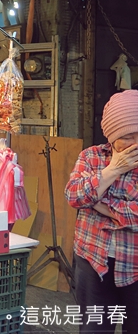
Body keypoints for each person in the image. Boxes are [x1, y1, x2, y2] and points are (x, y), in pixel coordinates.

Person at [65, 90, 138, 333]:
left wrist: (99, 203)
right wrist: (113, 170)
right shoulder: (91, 156)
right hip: (93, 258)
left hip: (134, 263)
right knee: (94, 328)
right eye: (127, 136)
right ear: (112, 135)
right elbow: (73, 196)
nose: (136, 144)